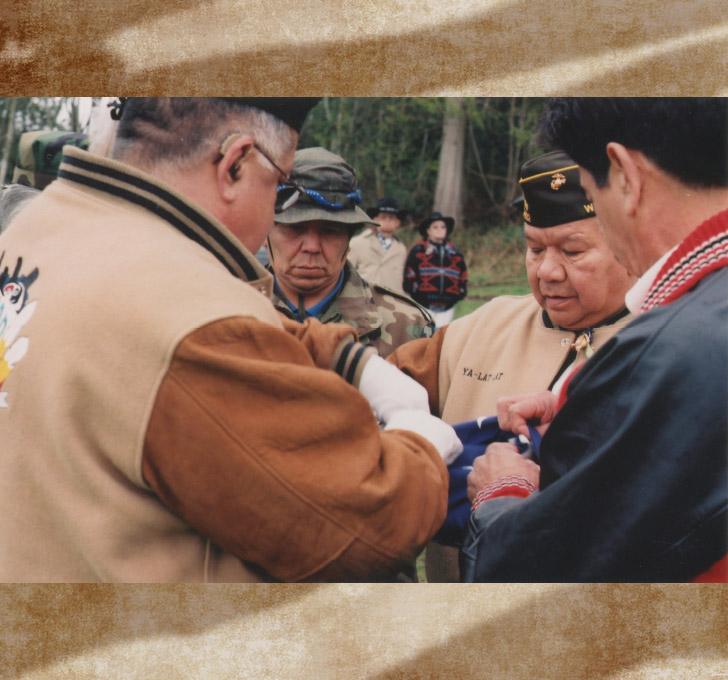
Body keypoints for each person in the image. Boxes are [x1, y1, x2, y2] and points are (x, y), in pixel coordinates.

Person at [0, 97, 463, 583]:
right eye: (278, 184)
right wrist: (420, 445)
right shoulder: (193, 325)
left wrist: (346, 358)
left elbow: (144, 308)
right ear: (236, 164)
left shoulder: (39, 227)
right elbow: (367, 530)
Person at [461, 97, 727, 582]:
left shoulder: (675, 349)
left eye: (589, 192)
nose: (547, 270)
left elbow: (534, 575)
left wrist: (504, 494)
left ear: (625, 175)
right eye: (534, 248)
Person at [389, 149, 637, 581]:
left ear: (625, 239)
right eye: (534, 248)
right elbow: (367, 403)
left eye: (572, 251)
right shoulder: (479, 327)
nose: (547, 271)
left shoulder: (666, 342)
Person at [268, 147, 434, 358]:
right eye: (295, 228)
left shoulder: (407, 326)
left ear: (349, 239)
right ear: (266, 230)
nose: (312, 246)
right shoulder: (227, 311)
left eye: (330, 230)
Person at [403, 211, 468, 328]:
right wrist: (416, 293)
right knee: (425, 337)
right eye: (435, 227)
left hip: (448, 306)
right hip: (424, 305)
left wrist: (459, 293)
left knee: (443, 338)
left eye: (443, 227)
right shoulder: (418, 250)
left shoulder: (455, 252)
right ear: (428, 231)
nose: (440, 230)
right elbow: (409, 274)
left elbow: (463, 275)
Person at [348, 196, 408, 292]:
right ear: (375, 219)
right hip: (365, 299)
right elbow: (346, 273)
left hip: (393, 302)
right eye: (383, 217)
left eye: (392, 218)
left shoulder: (401, 249)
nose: (387, 220)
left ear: (398, 222)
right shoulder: (358, 242)